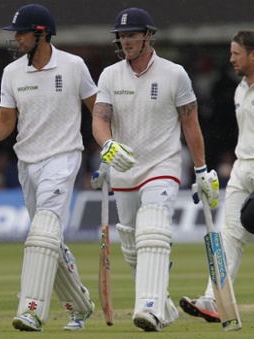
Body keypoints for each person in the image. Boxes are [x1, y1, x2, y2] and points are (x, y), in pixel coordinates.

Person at [90, 8, 219, 332]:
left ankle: (149, 309)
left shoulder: (174, 73)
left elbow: (190, 123)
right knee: (134, 246)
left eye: (132, 34)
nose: (125, 41)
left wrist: (202, 169)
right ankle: (162, 303)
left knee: (153, 229)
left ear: (148, 35)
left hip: (162, 165)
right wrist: (107, 145)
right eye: (121, 36)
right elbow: (100, 119)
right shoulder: (109, 75)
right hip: (123, 169)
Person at [0, 4, 97, 332]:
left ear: (41, 34)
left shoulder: (74, 66)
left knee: (42, 234)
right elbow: (4, 124)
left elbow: (98, 111)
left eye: (21, 33)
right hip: (27, 163)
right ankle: (81, 306)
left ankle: (31, 309)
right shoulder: (12, 72)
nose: (16, 39)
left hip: (63, 156)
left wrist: (110, 150)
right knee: (49, 242)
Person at [180, 30, 254, 323]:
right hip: (242, 168)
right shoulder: (240, 90)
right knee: (230, 234)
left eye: (237, 53)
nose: (231, 59)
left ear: (253, 55)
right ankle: (213, 300)